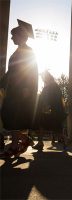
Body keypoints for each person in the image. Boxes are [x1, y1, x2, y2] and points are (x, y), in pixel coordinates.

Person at [0, 19, 38, 158]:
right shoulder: (17, 51)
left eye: (13, 35)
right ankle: (25, 139)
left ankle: (15, 147)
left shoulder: (28, 51)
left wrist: (27, 87)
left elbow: (30, 70)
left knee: (14, 117)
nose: (11, 38)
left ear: (21, 36)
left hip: (21, 90)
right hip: (13, 89)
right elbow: (11, 72)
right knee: (9, 117)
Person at [32, 70, 67, 150]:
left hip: (51, 111)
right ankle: (64, 139)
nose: (42, 79)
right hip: (57, 111)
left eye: (42, 78)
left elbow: (45, 99)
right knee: (55, 127)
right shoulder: (55, 86)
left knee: (41, 123)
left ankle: (40, 143)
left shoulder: (49, 87)